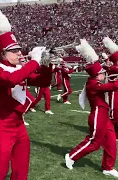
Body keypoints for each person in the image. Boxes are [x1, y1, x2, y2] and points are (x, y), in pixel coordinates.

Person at [0, 4, 46, 179]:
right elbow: (11, 80)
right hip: (2, 126)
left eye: (19, 50)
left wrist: (48, 64)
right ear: (3, 54)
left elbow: (44, 81)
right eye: (14, 51)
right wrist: (34, 62)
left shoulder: (19, 68)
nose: (19, 54)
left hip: (19, 125)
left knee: (21, 169)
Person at [65, 39, 118, 178]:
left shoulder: (96, 81)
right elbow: (111, 86)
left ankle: (108, 167)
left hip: (104, 114)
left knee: (111, 141)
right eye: (101, 72)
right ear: (96, 75)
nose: (104, 74)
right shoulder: (93, 84)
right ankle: (71, 156)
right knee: (94, 142)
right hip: (98, 115)